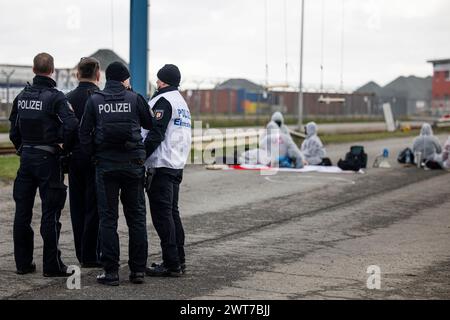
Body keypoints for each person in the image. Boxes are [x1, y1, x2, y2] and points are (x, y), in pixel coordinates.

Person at [79, 62, 154, 286]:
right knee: (137, 218)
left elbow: (83, 133)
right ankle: (138, 271)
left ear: (106, 78)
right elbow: (150, 123)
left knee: (108, 219)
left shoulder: (95, 100)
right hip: (133, 164)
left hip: (106, 166)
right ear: (124, 80)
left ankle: (110, 272)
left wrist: (95, 155)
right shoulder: (135, 98)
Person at [9, 53, 78, 277]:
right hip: (48, 160)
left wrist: (23, 148)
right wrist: (62, 148)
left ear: (33, 69)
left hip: (26, 159)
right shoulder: (56, 97)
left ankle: (23, 264)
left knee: (22, 213)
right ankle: (51, 265)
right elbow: (71, 125)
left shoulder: (21, 97)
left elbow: (13, 131)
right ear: (52, 70)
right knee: (50, 213)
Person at [142, 64, 191, 277]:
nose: (156, 82)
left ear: (162, 81)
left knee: (163, 217)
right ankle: (178, 260)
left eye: (158, 79)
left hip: (161, 165)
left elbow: (155, 134)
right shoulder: (181, 102)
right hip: (176, 164)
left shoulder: (164, 101)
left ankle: (171, 264)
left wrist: (139, 157)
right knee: (172, 214)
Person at [66, 57, 101, 268]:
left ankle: (81, 253)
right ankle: (91, 254)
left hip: (74, 158)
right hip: (96, 158)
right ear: (98, 75)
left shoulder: (67, 98)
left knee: (77, 207)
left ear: (78, 74)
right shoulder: (101, 98)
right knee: (95, 207)